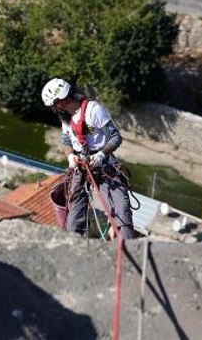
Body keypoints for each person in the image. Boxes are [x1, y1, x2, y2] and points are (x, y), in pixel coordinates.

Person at [42, 78, 136, 240]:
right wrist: (70, 156)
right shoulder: (66, 117)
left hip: (104, 164)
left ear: (61, 101)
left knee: (122, 211)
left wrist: (101, 155)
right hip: (80, 164)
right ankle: (74, 242)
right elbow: (66, 140)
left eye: (55, 105)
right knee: (74, 215)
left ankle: (127, 245)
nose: (55, 109)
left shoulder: (93, 110)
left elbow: (115, 137)